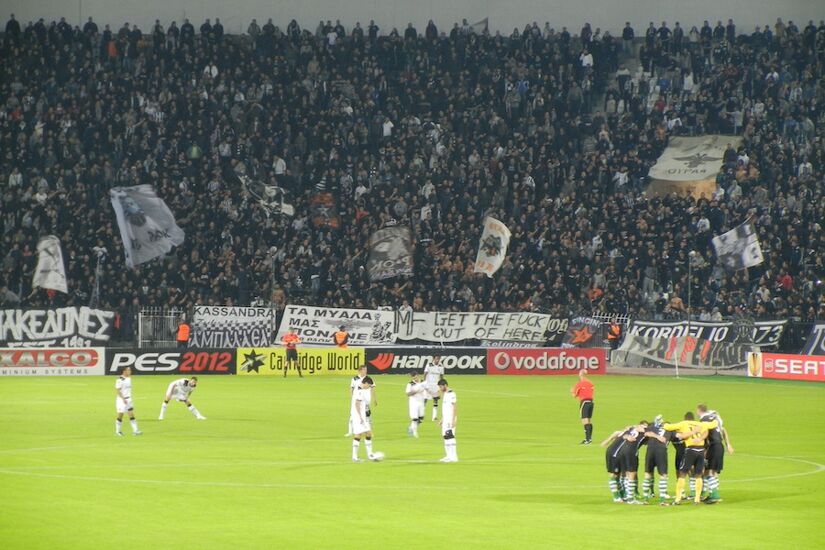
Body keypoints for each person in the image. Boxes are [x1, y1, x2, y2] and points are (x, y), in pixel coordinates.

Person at [663, 413, 718, 505]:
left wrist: (662, 424)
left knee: (682, 473)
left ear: (686, 419)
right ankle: (697, 499)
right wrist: (715, 418)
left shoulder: (684, 424)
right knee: (698, 475)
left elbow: (668, 427)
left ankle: (678, 499)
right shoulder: (701, 424)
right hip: (701, 451)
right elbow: (714, 424)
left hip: (690, 450)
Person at [600, 421, 648, 503]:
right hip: (615, 453)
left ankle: (622, 496)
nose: (644, 428)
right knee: (615, 475)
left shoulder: (629, 431)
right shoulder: (634, 430)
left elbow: (616, 433)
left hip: (618, 452)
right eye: (644, 426)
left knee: (620, 475)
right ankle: (621, 497)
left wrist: (607, 441)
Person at [698, 404, 734, 503]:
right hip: (719, 447)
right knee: (712, 472)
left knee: (708, 472)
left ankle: (715, 495)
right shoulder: (716, 422)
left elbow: (705, 436)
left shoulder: (704, 420)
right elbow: (723, 430)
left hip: (713, 447)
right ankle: (711, 494)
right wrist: (728, 445)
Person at [642, 415, 671, 504]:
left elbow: (645, 433)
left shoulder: (651, 427)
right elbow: (680, 435)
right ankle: (662, 500)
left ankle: (645, 499)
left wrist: (655, 435)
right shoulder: (669, 430)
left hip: (650, 451)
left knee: (648, 474)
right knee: (663, 475)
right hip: (661, 452)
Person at [351, 376, 380, 461]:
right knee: (359, 434)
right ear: (366, 383)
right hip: (358, 415)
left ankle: (369, 455)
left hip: (361, 415)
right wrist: (360, 417)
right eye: (369, 385)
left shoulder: (361, 388)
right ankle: (355, 457)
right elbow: (357, 404)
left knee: (368, 433)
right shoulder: (359, 390)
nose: (369, 387)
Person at [115, 367, 142, 436]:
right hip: (122, 400)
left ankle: (135, 431)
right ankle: (118, 431)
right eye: (128, 370)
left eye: (130, 370)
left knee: (131, 414)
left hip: (129, 399)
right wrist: (123, 399)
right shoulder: (120, 380)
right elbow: (118, 391)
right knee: (120, 415)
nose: (130, 371)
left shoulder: (129, 378)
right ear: (124, 371)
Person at [571, 369, 594, 444]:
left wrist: (571, 391)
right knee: (589, 420)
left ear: (580, 374)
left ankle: (587, 439)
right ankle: (589, 438)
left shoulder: (579, 384)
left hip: (584, 402)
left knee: (584, 420)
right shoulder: (590, 383)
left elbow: (574, 395)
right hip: (591, 402)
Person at [437, 379, 458, 462]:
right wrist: (442, 419)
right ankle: (448, 456)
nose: (440, 388)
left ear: (445, 385)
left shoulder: (451, 393)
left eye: (441, 387)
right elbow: (446, 408)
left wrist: (453, 420)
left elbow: (455, 407)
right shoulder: (445, 394)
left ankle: (454, 457)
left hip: (450, 419)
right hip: (446, 419)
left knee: (450, 436)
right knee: (445, 437)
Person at [423, 356, 445, 421]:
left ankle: (434, 417)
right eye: (436, 359)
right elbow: (425, 373)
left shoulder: (441, 366)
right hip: (428, 385)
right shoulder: (429, 365)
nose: (437, 360)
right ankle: (421, 415)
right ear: (433, 359)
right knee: (425, 400)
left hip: (436, 386)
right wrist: (424, 382)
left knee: (435, 400)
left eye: (438, 359)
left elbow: (441, 376)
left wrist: (442, 385)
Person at [405, 372, 426, 437]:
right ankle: (414, 432)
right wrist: (415, 391)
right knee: (415, 418)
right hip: (413, 403)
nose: (415, 378)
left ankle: (411, 427)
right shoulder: (410, 384)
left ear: (418, 375)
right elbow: (408, 394)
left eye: (416, 377)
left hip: (421, 402)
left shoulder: (423, 382)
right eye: (413, 377)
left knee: (421, 418)